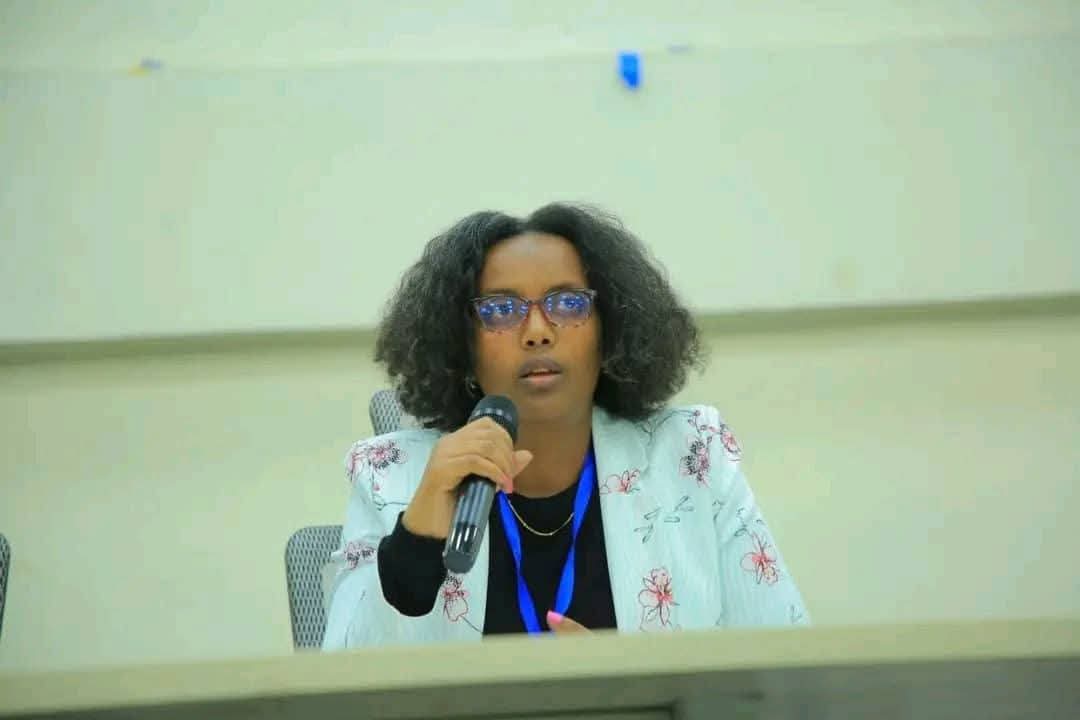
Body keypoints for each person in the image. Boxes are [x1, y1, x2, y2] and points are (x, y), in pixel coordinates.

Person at [322, 203, 809, 648]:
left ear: (609, 331)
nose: (537, 331)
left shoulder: (692, 458)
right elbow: (339, 686)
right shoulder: (391, 478)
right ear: (462, 345)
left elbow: (785, 669)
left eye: (569, 304)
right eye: (501, 310)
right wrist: (415, 538)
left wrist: (628, 689)